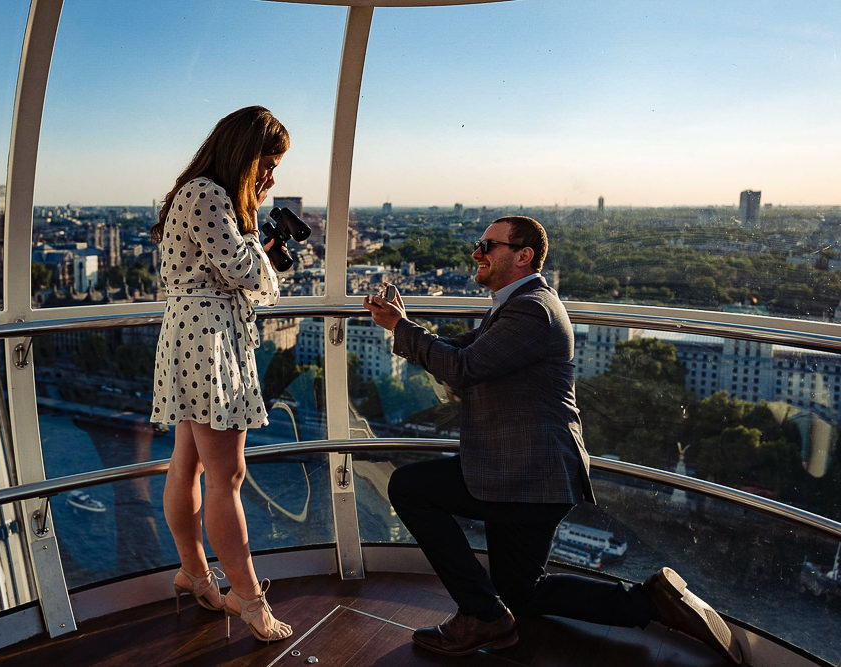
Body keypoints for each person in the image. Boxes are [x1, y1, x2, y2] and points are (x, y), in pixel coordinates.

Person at [362, 216, 743, 664]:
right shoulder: (516, 303)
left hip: (525, 473)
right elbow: (462, 355)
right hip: (533, 473)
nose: (476, 253)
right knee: (522, 592)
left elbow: (462, 368)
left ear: (523, 256)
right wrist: (406, 325)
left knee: (409, 488)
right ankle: (650, 603)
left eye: (488, 244)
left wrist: (402, 330)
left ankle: (480, 616)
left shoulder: (531, 309)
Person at [150, 106, 292, 643]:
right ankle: (250, 599)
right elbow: (247, 273)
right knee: (227, 476)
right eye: (267, 164)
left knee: (188, 464)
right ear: (245, 154)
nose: (269, 177)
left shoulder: (196, 193)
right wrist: (260, 245)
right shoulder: (210, 195)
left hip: (196, 334)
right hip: (208, 340)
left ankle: (195, 573)